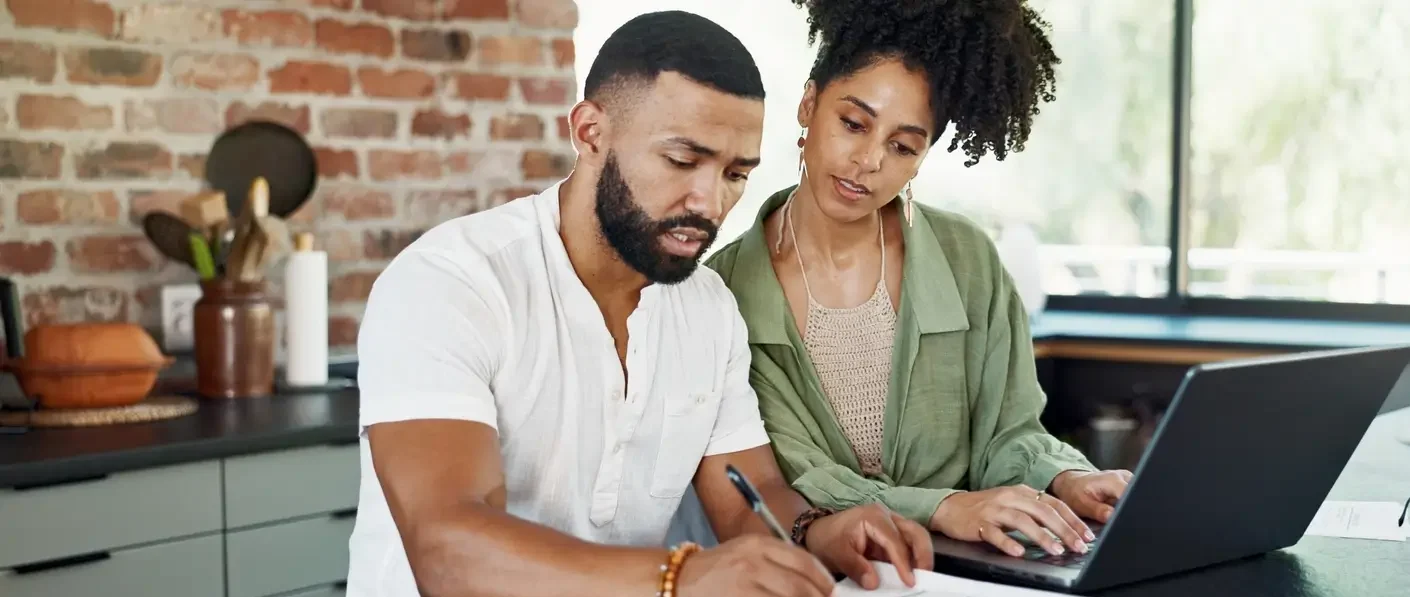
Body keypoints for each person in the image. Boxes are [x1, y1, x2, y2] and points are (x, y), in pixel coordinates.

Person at [347, 10, 934, 597]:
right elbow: (447, 551)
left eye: (735, 173)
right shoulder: (450, 282)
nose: (708, 200)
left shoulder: (709, 310)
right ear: (589, 132)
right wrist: (680, 577)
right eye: (682, 161)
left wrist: (817, 531)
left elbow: (750, 497)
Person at [706, 0, 1133, 561]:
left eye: (902, 146)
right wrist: (945, 507)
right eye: (853, 123)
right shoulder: (724, 295)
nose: (868, 160)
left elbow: (1010, 432)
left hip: (974, 567)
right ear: (809, 105)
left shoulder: (968, 259)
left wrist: (1065, 479)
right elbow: (793, 480)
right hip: (819, 575)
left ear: (922, 157)